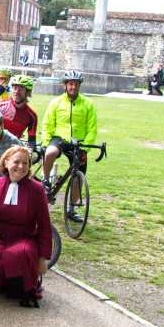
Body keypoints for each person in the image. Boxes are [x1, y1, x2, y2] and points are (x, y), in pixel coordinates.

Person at [0, 146, 52, 307]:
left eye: (26, 163)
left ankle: (28, 284)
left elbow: (44, 225)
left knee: (17, 255)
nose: (21, 167)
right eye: (16, 162)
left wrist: (43, 259)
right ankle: (8, 284)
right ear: (7, 163)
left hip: (25, 238)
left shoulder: (37, 189)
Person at [41, 70, 98, 221]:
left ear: (80, 86)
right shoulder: (56, 103)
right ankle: (45, 180)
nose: (73, 87)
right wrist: (46, 143)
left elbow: (92, 129)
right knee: (50, 153)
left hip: (79, 142)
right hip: (60, 138)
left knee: (78, 177)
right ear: (65, 86)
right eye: (71, 84)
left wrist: (85, 149)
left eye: (76, 84)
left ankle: (71, 209)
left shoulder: (88, 104)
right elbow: (47, 124)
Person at [0, 75, 38, 150]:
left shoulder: (32, 115)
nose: (17, 92)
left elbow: (32, 140)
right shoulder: (0, 105)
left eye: (21, 89)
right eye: (14, 88)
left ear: (28, 93)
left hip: (12, 149)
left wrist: (31, 150)